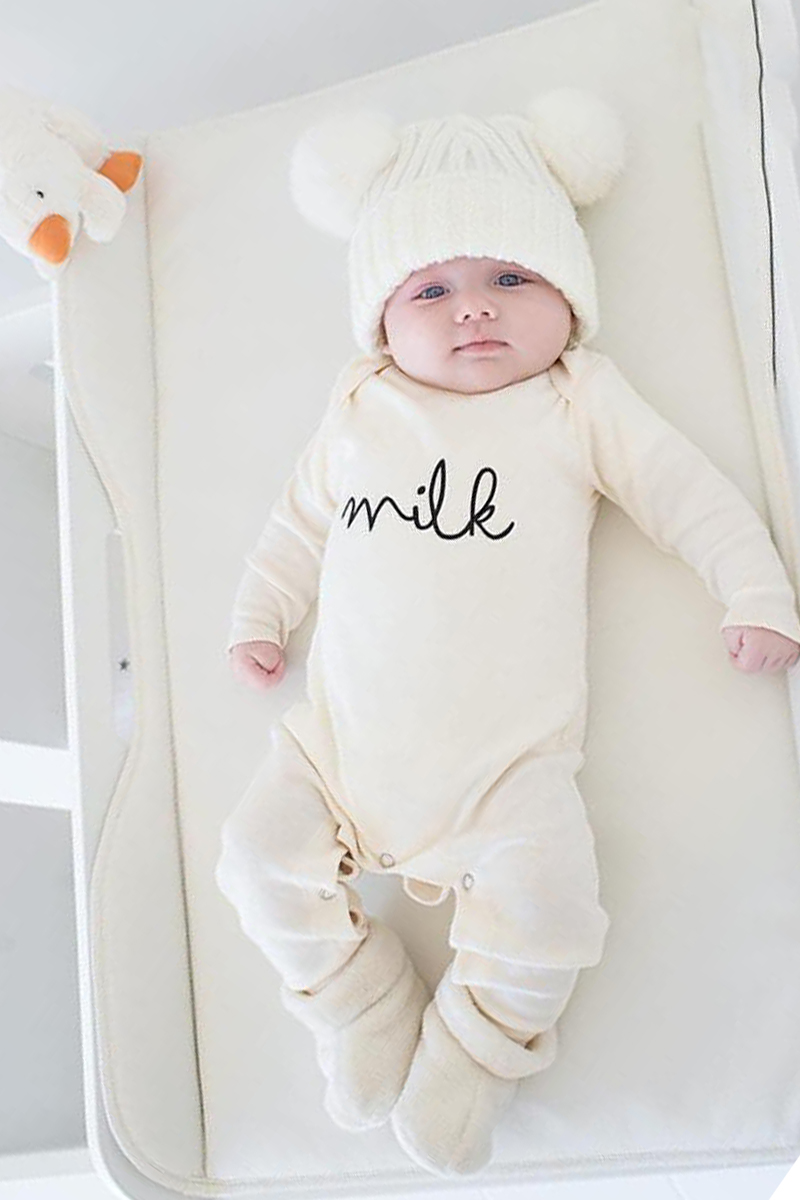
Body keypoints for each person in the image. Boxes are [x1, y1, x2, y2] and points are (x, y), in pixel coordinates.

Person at [215, 90, 800, 1178]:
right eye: (431, 288)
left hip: (508, 770)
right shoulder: (361, 407)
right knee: (253, 859)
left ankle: (478, 1048)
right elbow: (295, 526)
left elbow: (685, 492)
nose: (472, 309)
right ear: (381, 319)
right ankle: (356, 997)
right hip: (335, 750)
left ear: (569, 300)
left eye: (511, 278)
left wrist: (754, 588)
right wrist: (260, 617)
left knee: (552, 908)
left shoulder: (577, 401)